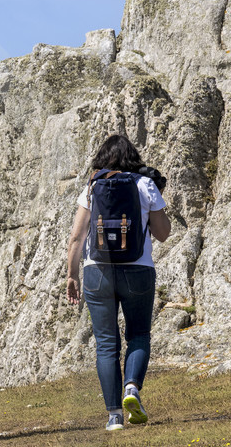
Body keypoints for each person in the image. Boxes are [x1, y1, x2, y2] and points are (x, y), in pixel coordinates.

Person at [64, 134, 171, 431]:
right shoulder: (145, 184)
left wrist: (72, 275)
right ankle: (131, 389)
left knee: (106, 344)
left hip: (98, 272)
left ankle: (114, 416)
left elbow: (76, 236)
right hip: (138, 270)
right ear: (133, 158)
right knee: (138, 335)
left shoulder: (93, 185)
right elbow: (163, 234)